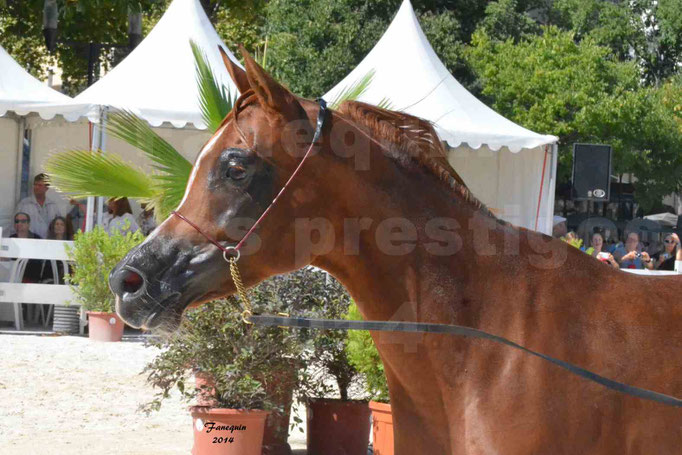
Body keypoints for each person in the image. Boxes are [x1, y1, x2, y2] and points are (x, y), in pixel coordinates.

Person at [14, 173, 62, 239]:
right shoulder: (24, 204)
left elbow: (61, 228)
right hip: (29, 242)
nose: (36, 187)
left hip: (49, 243)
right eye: (35, 185)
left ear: (46, 188)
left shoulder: (53, 206)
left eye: (39, 185)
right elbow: (13, 227)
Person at [39, 216, 73, 284]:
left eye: (62, 224)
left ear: (65, 228)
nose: (59, 226)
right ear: (53, 227)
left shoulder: (69, 245)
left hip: (66, 280)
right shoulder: (47, 244)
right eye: (57, 224)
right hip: (48, 279)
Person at [10, 212, 43, 282]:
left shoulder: (37, 239)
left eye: (23, 221)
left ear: (28, 224)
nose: (19, 224)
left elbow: (39, 264)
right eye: (17, 221)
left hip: (32, 280)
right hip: (12, 279)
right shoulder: (10, 239)